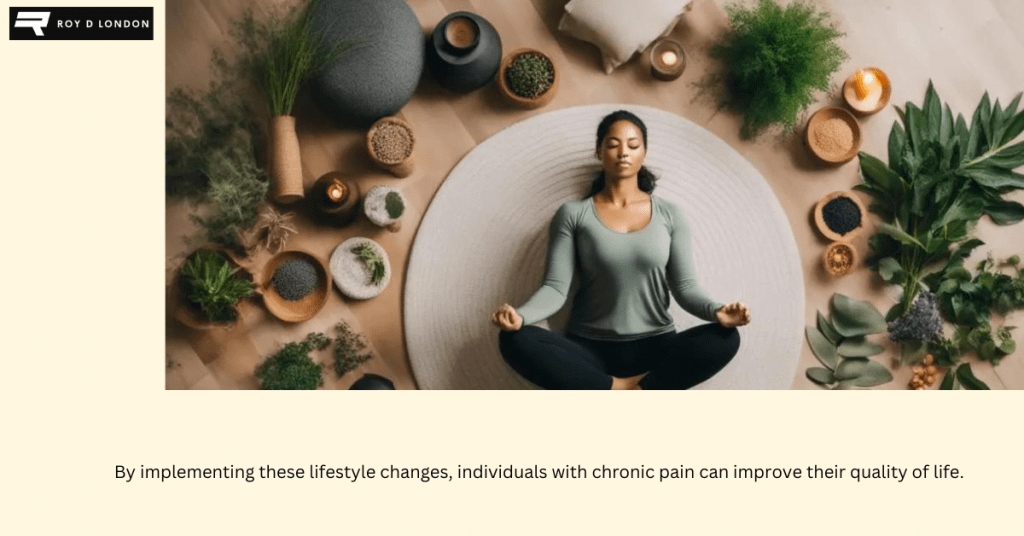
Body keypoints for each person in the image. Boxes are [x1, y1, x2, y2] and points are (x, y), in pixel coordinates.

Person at [491, 110, 750, 390]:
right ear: (599, 152)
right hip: (589, 350)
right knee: (513, 339)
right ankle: (627, 389)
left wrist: (717, 312)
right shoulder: (573, 214)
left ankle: (618, 390)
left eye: (633, 145)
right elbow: (555, 288)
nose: (623, 152)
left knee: (727, 338)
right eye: (613, 145)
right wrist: (522, 316)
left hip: (657, 347)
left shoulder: (670, 214)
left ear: (644, 153)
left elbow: (685, 287)